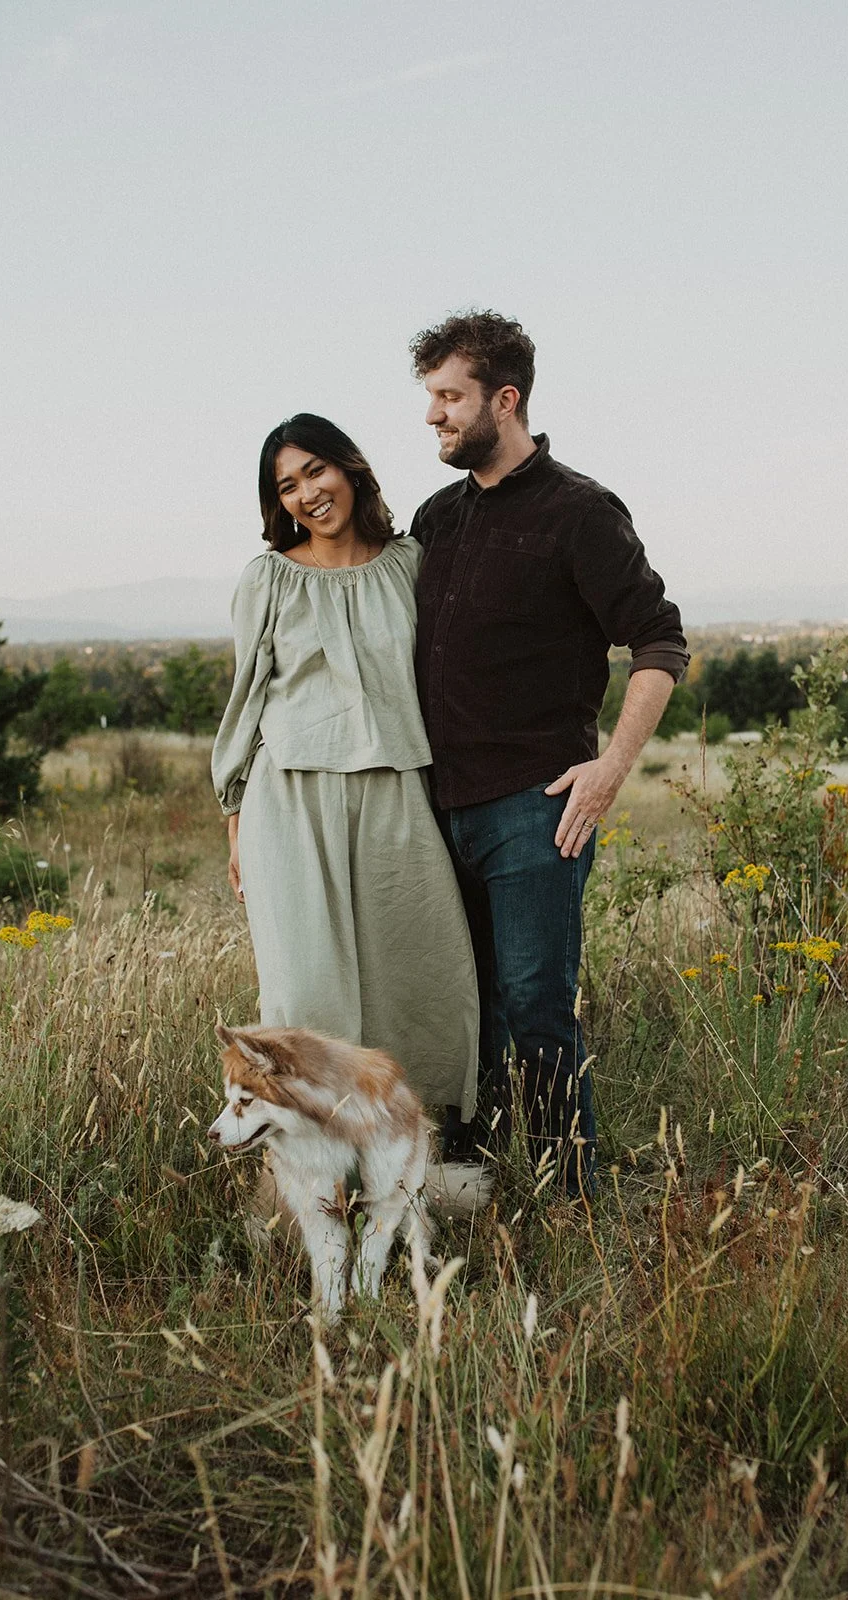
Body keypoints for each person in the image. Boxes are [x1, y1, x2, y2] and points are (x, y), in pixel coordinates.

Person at [408, 312, 689, 1196]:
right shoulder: (435, 518)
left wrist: (609, 768)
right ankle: (480, 1179)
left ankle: (570, 1197)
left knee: (534, 1008)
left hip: (535, 810)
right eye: (429, 399)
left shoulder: (579, 512)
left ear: (505, 398)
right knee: (462, 1013)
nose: (433, 417)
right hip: (431, 808)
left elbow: (658, 642)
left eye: (449, 398)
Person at [211, 414, 479, 1120]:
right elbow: (244, 705)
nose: (307, 494)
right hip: (289, 800)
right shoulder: (267, 578)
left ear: (348, 468)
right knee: (305, 990)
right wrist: (235, 823)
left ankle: (410, 1145)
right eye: (287, 485)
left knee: (418, 977)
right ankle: (313, 1164)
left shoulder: (411, 564)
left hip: (397, 791)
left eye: (315, 471)